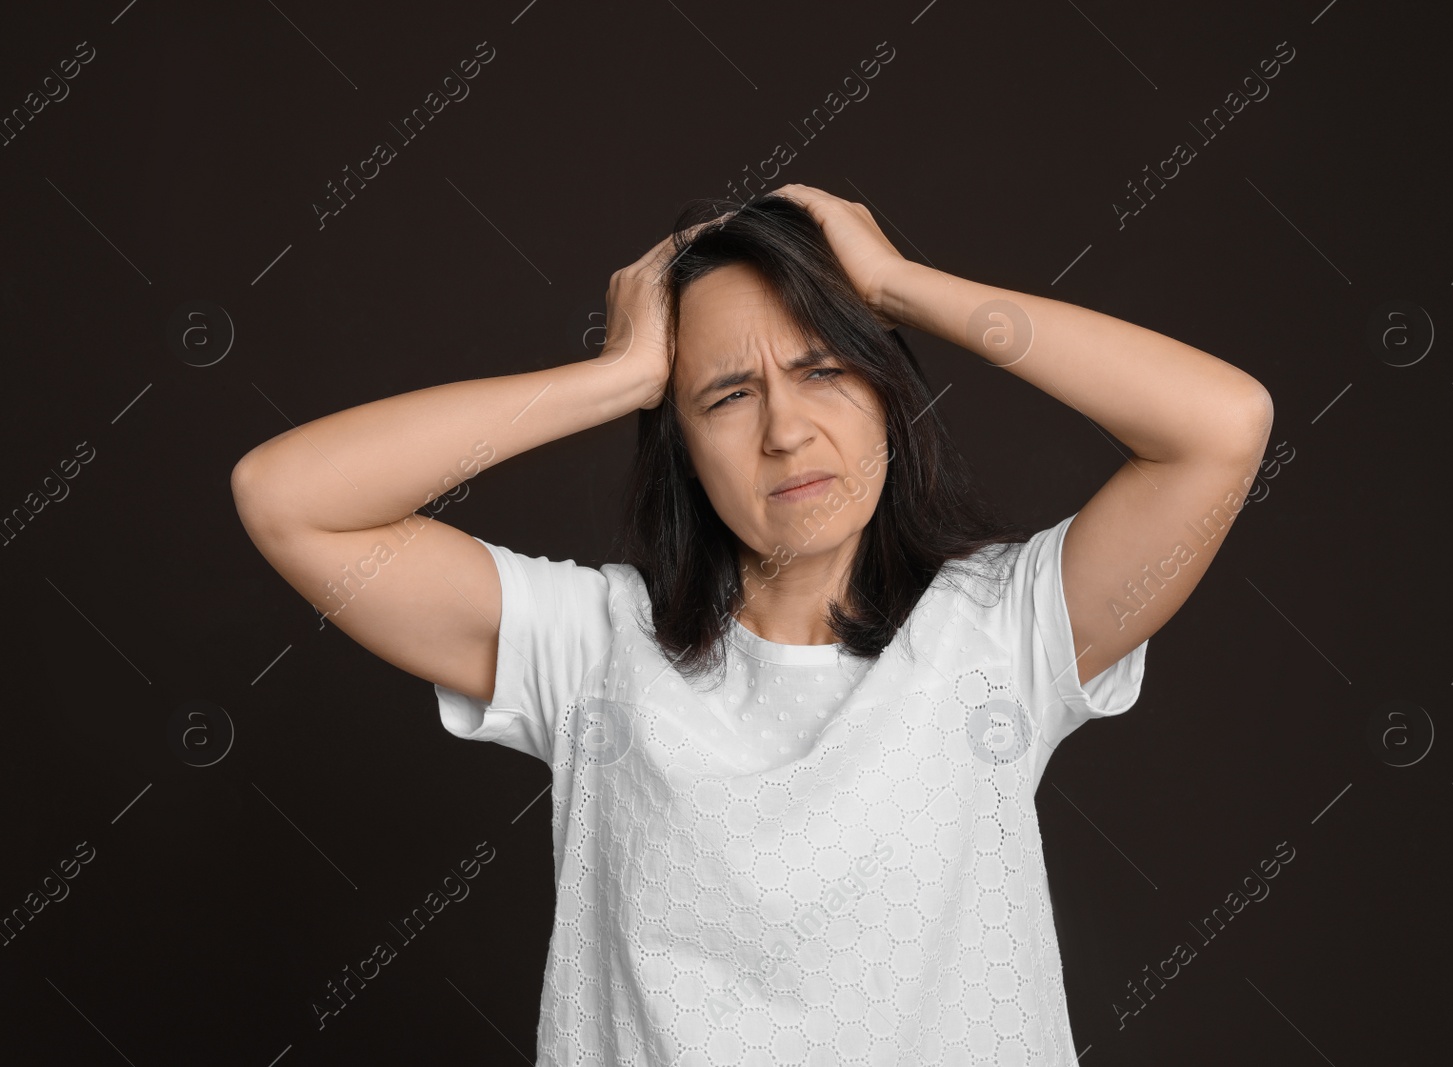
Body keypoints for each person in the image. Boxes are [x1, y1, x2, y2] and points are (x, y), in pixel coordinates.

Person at [231, 183, 1273, 1065]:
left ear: (885, 393)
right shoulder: (591, 646)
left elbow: (1220, 428)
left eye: (824, 367)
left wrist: (899, 283)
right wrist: (617, 377)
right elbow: (288, 497)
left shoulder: (1004, 632)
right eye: (727, 395)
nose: (785, 428)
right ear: (679, 443)